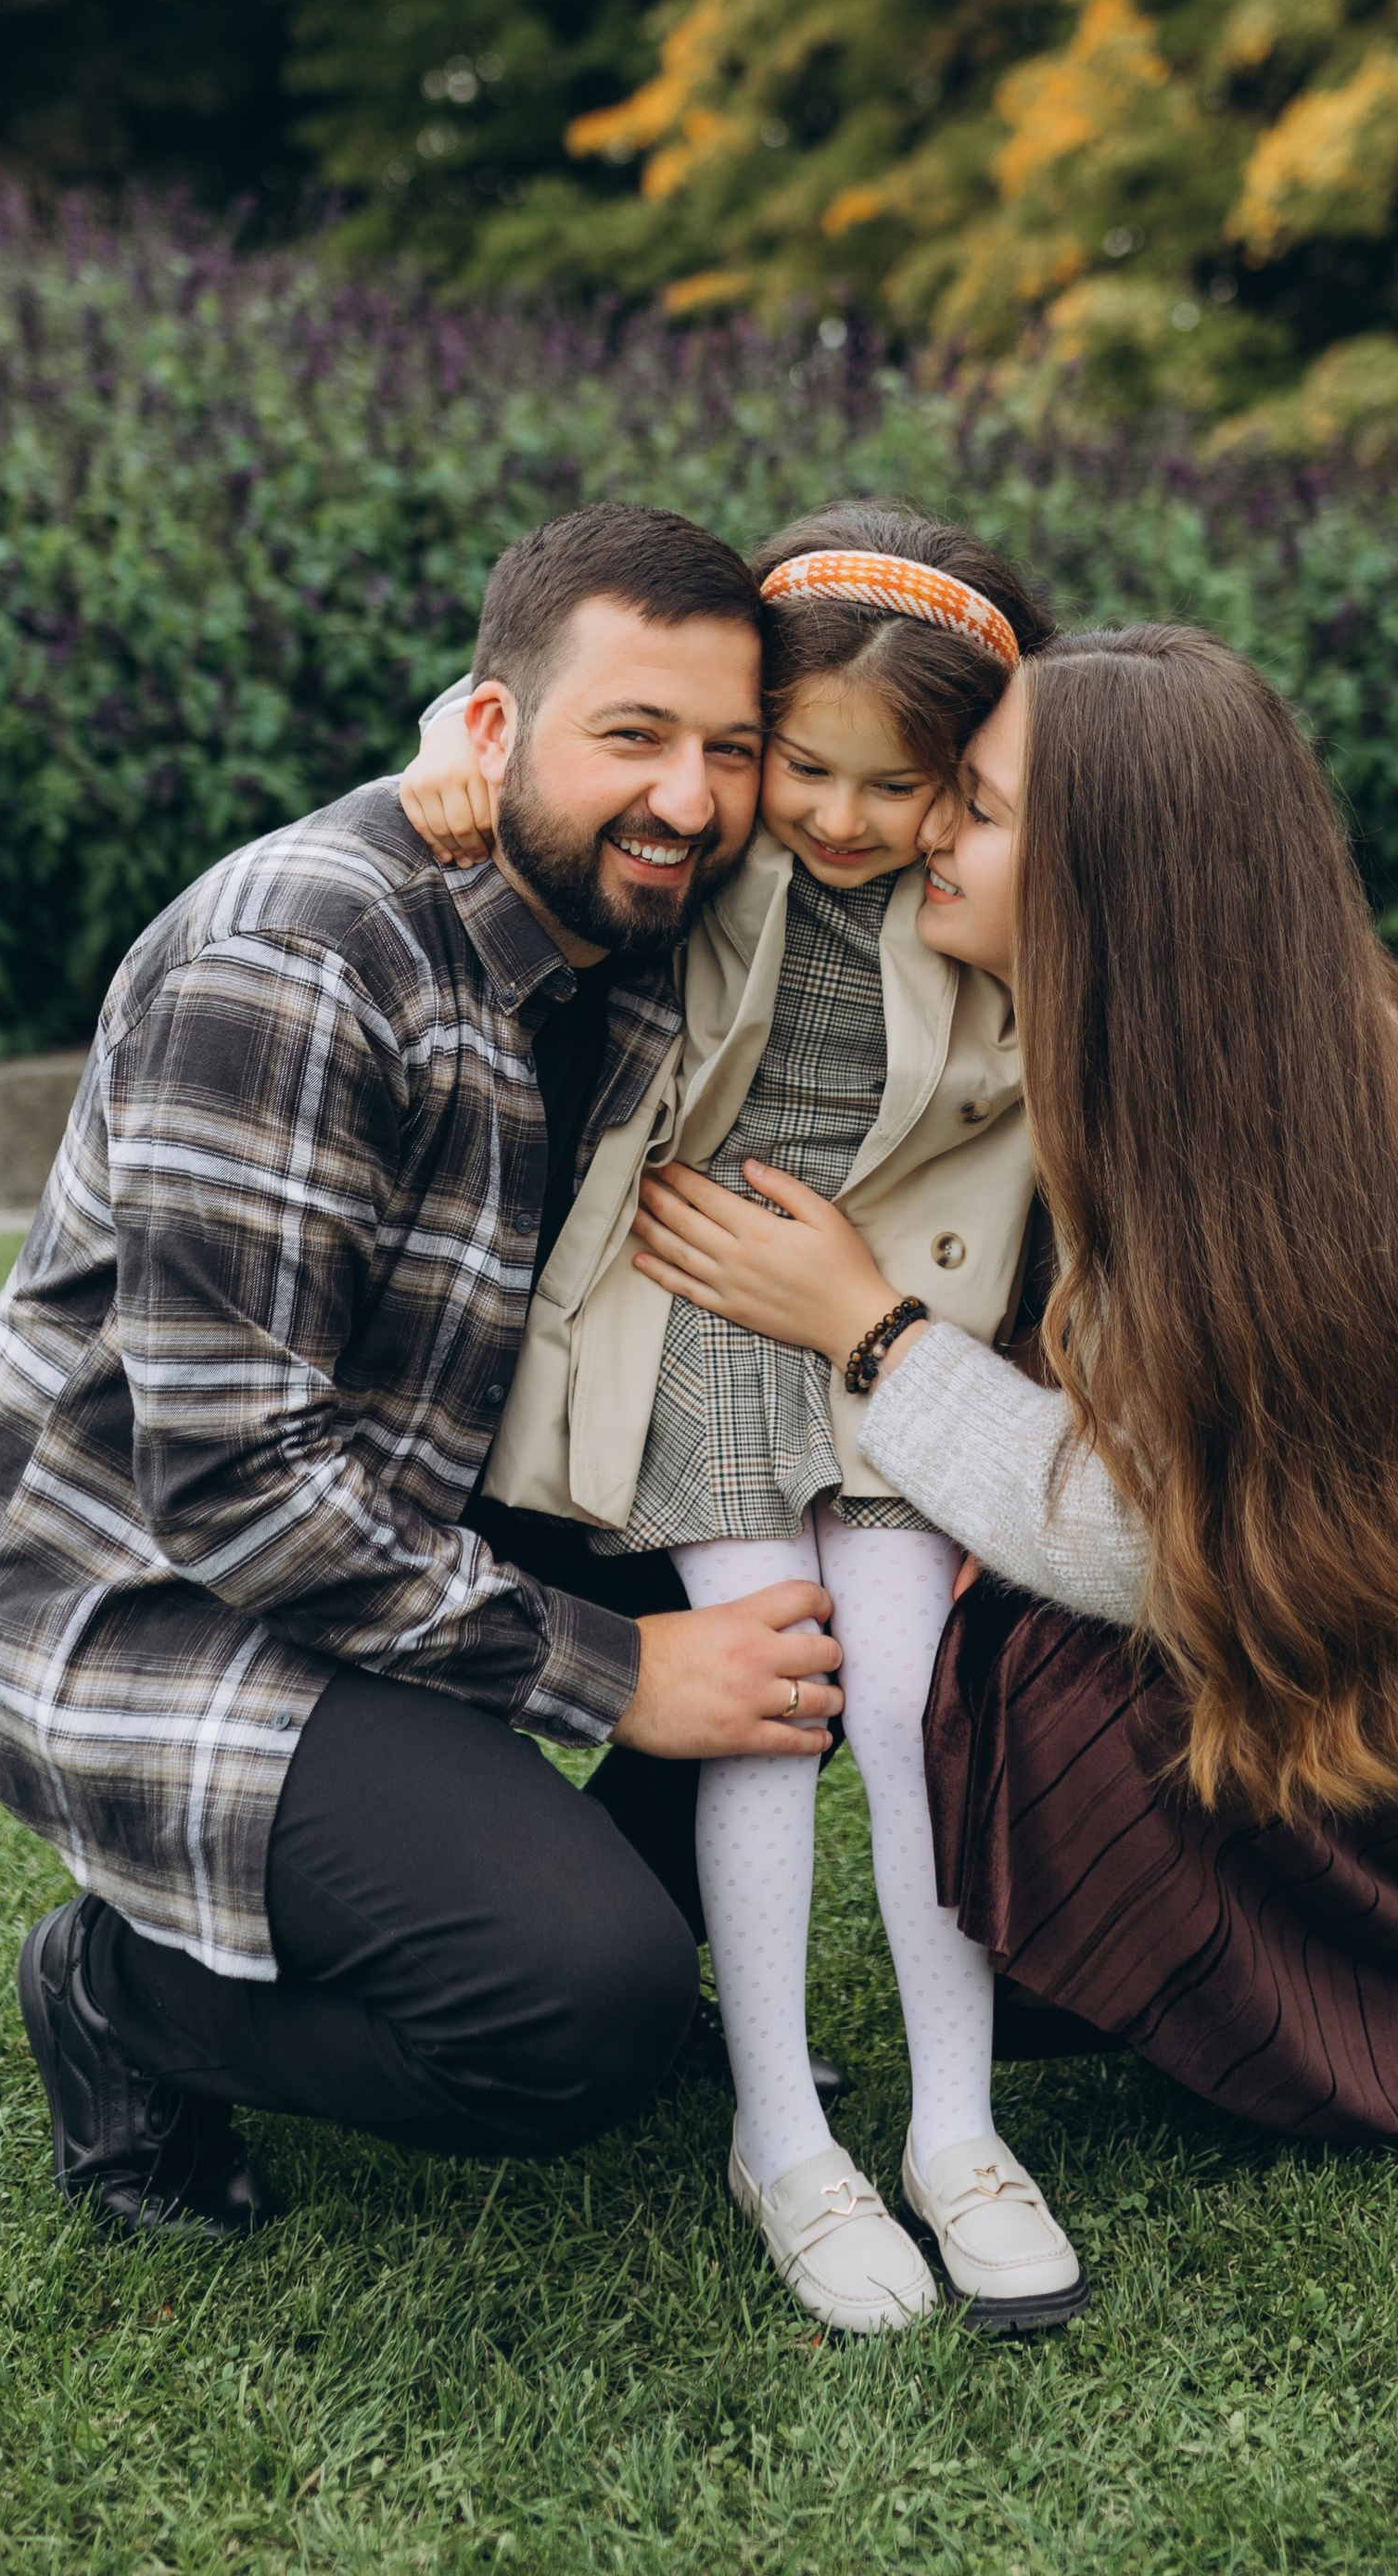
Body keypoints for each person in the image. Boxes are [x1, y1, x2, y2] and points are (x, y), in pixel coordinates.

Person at [631, 625, 1398, 2148]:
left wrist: (871, 1332)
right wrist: (466, 748)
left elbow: (1145, 1544)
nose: (920, 828)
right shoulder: (1140, 994)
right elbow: (800, 643)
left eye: (979, 807)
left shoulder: (1257, 1119)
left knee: (1030, 1684)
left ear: (1113, 874)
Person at [0, 503, 849, 2240]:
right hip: (155, 1590)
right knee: (574, 2009)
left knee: (830, 1566)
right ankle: (120, 1997)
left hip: (422, 1499)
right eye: (631, 735)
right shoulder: (296, 956)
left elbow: (916, 808)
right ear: (491, 731)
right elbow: (236, 1482)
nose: (691, 802)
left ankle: (600, 1906)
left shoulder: (650, 919)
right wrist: (616, 1670)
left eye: (731, 751)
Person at [400, 507, 1084, 2336]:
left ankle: (956, 2127)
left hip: (890, 1326)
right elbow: (576, 758)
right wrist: (438, 749)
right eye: (806, 765)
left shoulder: (1003, 884)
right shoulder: (709, 856)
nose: (845, 817)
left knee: (907, 1696)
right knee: (770, 1696)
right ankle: (779, 2134)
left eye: (900, 781)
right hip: (700, 1316)